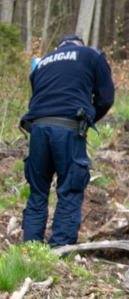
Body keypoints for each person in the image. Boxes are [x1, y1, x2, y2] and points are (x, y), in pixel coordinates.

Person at [20, 34, 115, 248]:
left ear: (58, 47)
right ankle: (59, 250)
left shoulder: (42, 63)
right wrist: (87, 119)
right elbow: (106, 98)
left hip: (38, 128)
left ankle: (31, 248)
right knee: (70, 189)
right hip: (68, 129)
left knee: (38, 190)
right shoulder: (91, 55)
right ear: (79, 45)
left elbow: (38, 96)